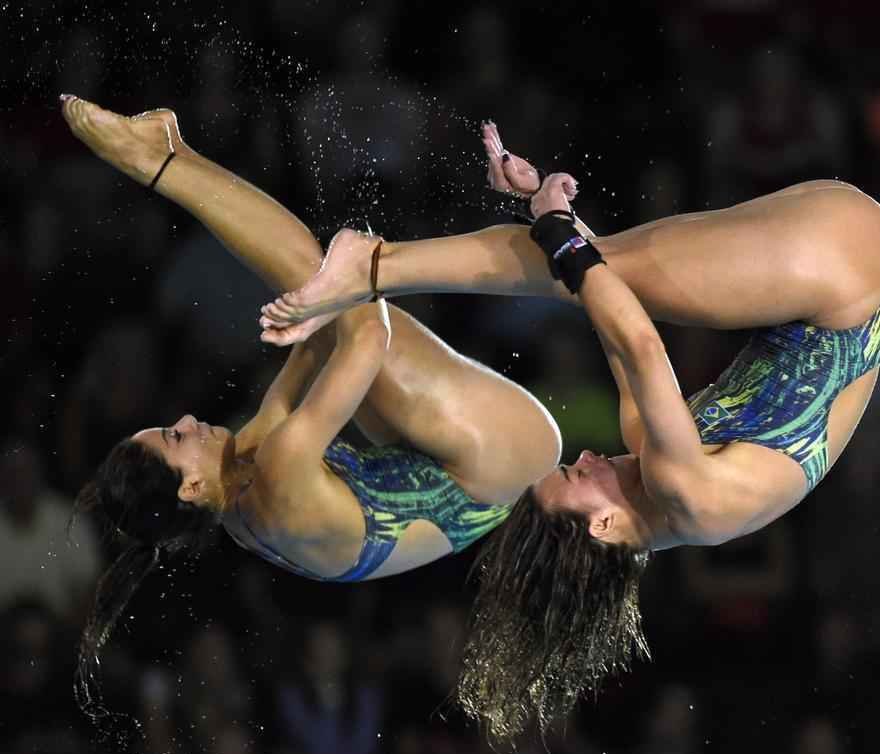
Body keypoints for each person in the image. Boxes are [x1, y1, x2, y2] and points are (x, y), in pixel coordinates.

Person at [259, 123, 880, 742]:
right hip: (840, 268)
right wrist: (555, 228)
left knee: (591, 267)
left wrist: (551, 218)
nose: (586, 457)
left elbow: (609, 307)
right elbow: (640, 341)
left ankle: (376, 265)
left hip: (827, 264)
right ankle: (371, 266)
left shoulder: (658, 482)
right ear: (603, 525)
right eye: (576, 476)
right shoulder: (685, 492)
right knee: (587, 263)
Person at [58, 97, 561, 716]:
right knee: (332, 285)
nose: (187, 419)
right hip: (501, 454)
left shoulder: (235, 494)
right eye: (173, 434)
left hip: (443, 463)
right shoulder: (277, 479)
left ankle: (170, 156)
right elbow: (367, 335)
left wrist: (306, 316)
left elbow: (300, 377)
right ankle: (162, 161)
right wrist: (334, 290)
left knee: (313, 289)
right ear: (189, 486)